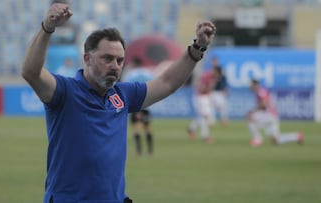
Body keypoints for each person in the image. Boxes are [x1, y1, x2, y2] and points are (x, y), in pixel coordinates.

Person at [21, 3, 216, 203]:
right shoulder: (65, 92)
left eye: (120, 60)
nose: (115, 66)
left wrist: (198, 48)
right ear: (87, 58)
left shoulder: (123, 95)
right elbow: (31, 73)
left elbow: (167, 83)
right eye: (107, 58)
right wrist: (47, 27)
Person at [247, 79, 304, 147]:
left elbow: (264, 103)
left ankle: (258, 140)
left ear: (255, 85)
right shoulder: (259, 92)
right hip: (272, 116)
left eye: (250, 85)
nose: (249, 86)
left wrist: (253, 111)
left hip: (269, 115)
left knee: (250, 117)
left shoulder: (261, 91)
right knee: (276, 140)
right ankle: (297, 136)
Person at [122, 57, 155, 156]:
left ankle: (138, 151)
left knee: (137, 128)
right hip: (147, 104)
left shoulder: (131, 74)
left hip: (135, 105)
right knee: (147, 127)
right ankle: (150, 151)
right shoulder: (147, 73)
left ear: (135, 64)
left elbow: (125, 86)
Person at [187, 70, 215, 143]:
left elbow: (208, 90)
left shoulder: (210, 78)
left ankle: (191, 129)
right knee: (204, 117)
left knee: (202, 117)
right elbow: (201, 89)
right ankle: (205, 137)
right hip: (200, 98)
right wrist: (209, 87)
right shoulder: (206, 78)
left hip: (204, 98)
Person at [210, 57, 228, 126]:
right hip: (213, 92)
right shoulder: (211, 71)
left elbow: (224, 81)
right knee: (212, 107)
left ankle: (223, 120)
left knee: (222, 107)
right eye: (213, 61)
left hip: (220, 92)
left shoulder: (220, 70)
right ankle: (211, 121)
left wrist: (225, 89)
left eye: (215, 61)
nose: (214, 62)